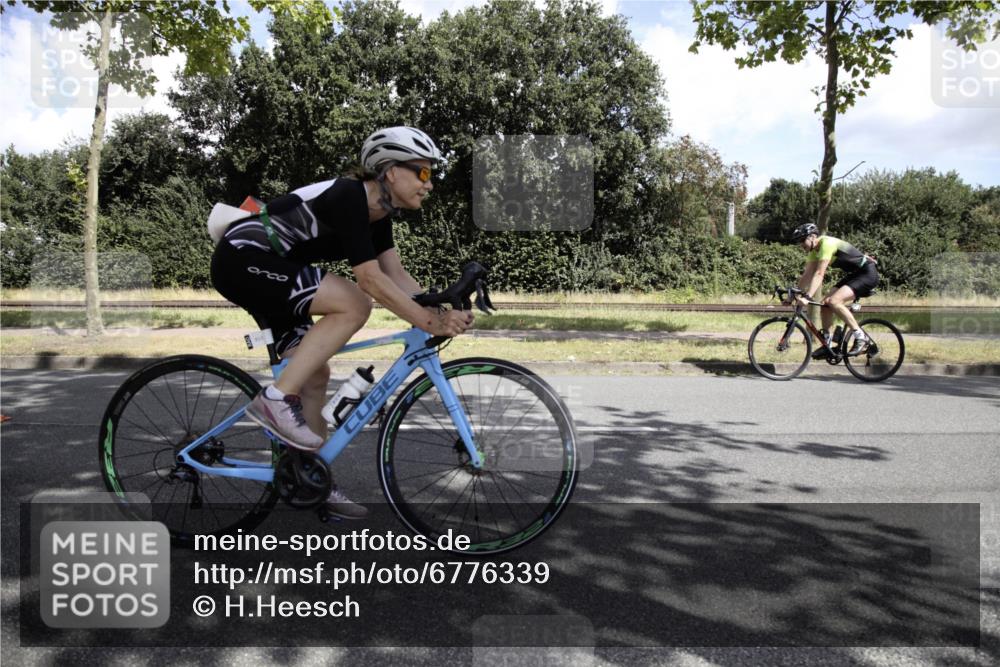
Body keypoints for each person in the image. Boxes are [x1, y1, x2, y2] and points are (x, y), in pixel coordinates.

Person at [210, 126, 474, 519]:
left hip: (272, 268)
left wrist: (438, 310)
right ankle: (274, 401)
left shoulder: (379, 214)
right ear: (390, 171)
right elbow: (371, 281)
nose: (429, 184)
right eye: (422, 172)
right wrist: (425, 320)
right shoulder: (349, 195)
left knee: (314, 375)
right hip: (243, 256)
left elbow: (398, 277)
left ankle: (311, 478)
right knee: (354, 301)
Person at [787, 222, 879, 359]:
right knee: (825, 305)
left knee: (834, 301)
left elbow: (819, 274)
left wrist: (807, 297)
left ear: (812, 237)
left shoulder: (826, 244)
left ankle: (861, 337)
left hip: (867, 274)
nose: (801, 245)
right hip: (855, 275)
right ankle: (828, 345)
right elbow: (807, 275)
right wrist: (793, 294)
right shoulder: (814, 251)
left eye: (802, 240)